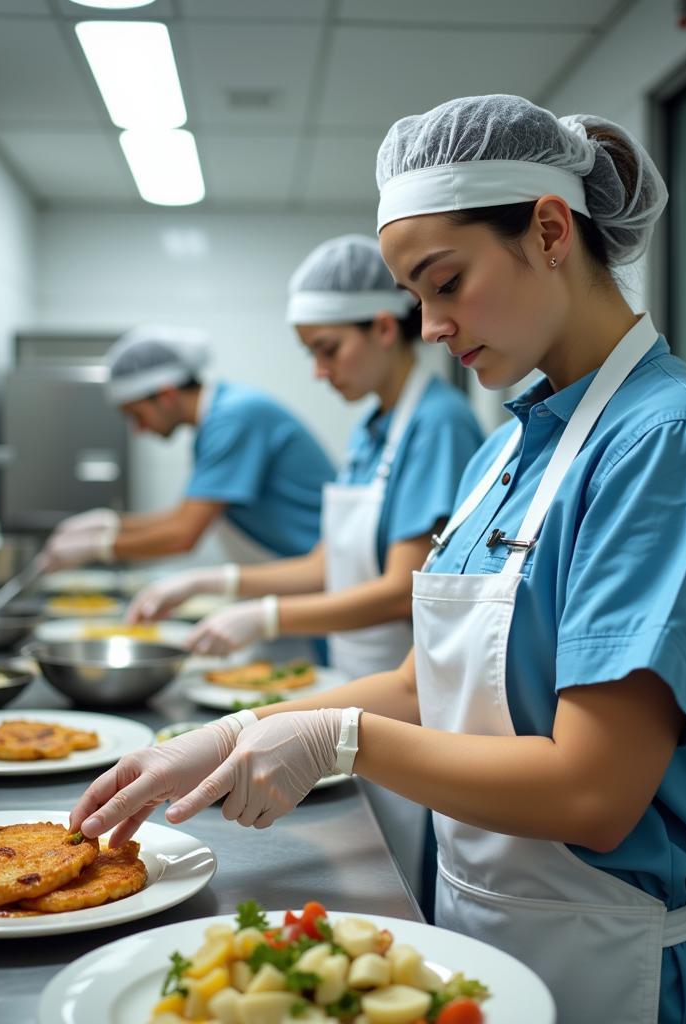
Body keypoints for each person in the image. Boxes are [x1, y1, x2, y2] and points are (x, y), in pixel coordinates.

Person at [69, 95, 686, 1024]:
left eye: (445, 282)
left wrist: (342, 739)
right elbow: (426, 681)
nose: (429, 326)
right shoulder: (506, 449)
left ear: (550, 229)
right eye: (415, 296)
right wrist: (234, 731)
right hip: (491, 941)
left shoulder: (673, 443)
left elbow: (594, 792)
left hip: (632, 968)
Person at [127, 235, 484, 896]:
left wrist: (265, 614)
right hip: (351, 684)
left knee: (393, 879)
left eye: (327, 350)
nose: (320, 372)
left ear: (383, 328)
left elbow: (394, 592)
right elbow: (331, 561)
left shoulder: (438, 424)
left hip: (398, 704)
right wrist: (222, 583)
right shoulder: (375, 428)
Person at [39, 326, 336, 572]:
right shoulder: (218, 418)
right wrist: (112, 524)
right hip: (296, 576)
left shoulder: (233, 418)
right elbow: (182, 516)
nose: (138, 429)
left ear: (166, 394)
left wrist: (100, 547)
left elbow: (183, 534)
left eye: (137, 415)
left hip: (319, 579)